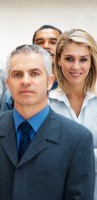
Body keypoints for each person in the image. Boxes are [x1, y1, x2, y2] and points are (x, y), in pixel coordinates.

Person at [0, 45, 95, 199]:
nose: (25, 81)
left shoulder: (78, 139)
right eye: (17, 75)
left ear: (50, 82)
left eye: (35, 73)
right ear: (8, 83)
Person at [49, 28, 97, 198]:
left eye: (83, 59)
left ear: (91, 62)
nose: (76, 66)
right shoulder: (46, 104)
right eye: (69, 59)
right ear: (59, 61)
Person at [0, 25, 62, 112]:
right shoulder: (12, 93)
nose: (46, 46)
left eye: (53, 42)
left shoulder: (69, 89)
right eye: (40, 42)